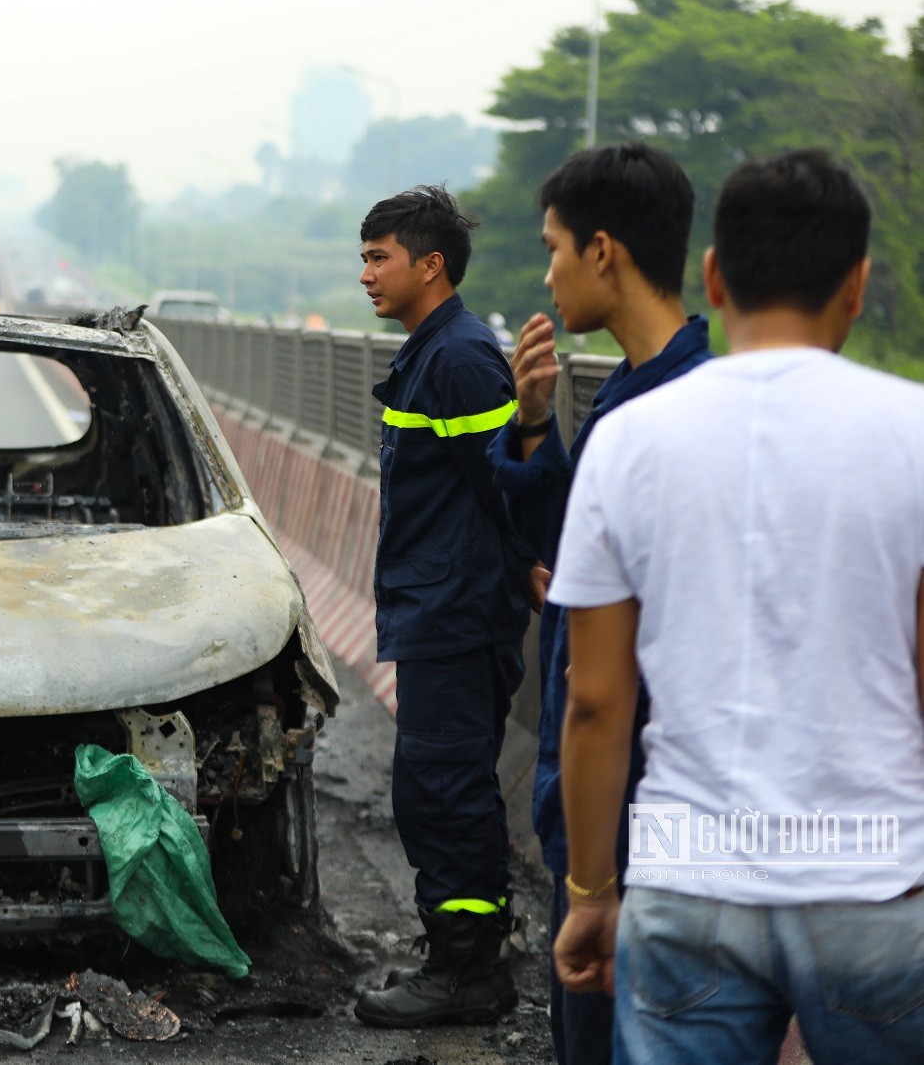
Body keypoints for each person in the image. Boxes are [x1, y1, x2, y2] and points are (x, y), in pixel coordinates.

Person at [552, 150, 924, 1063]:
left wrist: (593, 892)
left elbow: (596, 701)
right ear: (857, 286)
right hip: (872, 875)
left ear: (714, 277)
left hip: (688, 876)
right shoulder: (911, 432)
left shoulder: (629, 439)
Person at [486, 143, 710, 1065]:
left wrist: (590, 886)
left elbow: (604, 690)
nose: (547, 273)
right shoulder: (627, 393)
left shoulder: (683, 410)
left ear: (604, 250)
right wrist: (534, 420)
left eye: (554, 249)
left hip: (642, 827)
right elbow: (571, 548)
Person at [353, 186, 543, 1028]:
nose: (365, 274)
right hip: (435, 604)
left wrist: (530, 561)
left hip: (459, 611)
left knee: (449, 789)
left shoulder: (462, 357)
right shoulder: (432, 350)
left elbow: (502, 487)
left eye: (378, 256)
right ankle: (454, 957)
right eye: (364, 257)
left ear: (430, 265)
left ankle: (471, 975)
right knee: (430, 789)